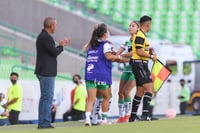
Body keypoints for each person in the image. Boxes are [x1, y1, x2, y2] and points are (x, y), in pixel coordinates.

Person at [84, 23, 128, 126]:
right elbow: (109, 57)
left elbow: (107, 57)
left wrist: (120, 57)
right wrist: (121, 58)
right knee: (107, 97)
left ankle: (88, 119)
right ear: (104, 33)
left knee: (91, 99)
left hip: (90, 75)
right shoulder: (105, 45)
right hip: (101, 75)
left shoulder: (91, 45)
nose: (108, 33)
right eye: (107, 31)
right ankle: (104, 119)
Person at [35, 16, 70, 129]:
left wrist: (59, 45)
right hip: (46, 71)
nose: (56, 27)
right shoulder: (46, 37)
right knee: (47, 97)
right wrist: (61, 46)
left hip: (43, 70)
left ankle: (42, 121)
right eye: (55, 25)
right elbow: (54, 52)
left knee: (44, 97)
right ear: (51, 26)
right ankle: (44, 122)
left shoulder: (43, 36)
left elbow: (50, 51)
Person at [129, 15, 157, 122]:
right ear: (148, 24)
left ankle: (133, 117)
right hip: (140, 64)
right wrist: (151, 56)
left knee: (140, 92)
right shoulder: (140, 35)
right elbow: (139, 51)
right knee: (150, 89)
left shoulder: (141, 35)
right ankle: (145, 115)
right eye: (151, 24)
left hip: (139, 64)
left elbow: (141, 50)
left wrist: (149, 52)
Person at [116, 21, 139, 123]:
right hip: (127, 69)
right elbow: (117, 54)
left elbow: (133, 53)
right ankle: (121, 117)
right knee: (120, 93)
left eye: (133, 26)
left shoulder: (139, 41)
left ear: (138, 28)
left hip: (135, 70)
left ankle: (128, 116)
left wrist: (122, 56)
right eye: (129, 25)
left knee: (126, 92)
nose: (130, 27)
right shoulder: (126, 42)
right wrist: (113, 55)